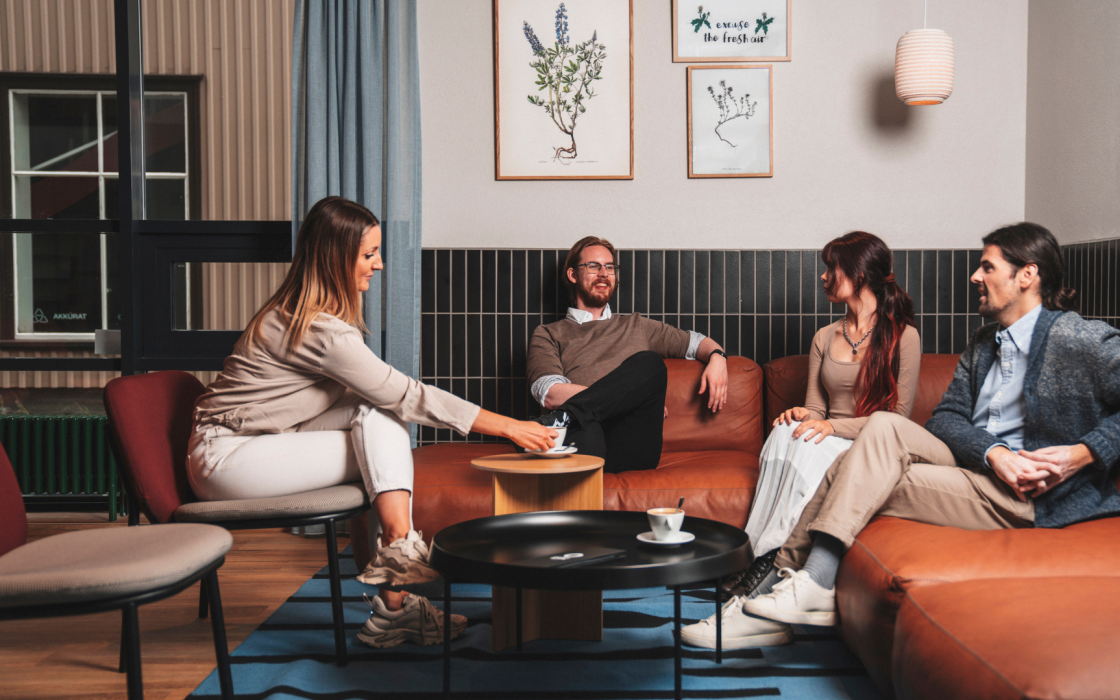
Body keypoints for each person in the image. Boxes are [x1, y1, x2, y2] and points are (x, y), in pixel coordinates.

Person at [694, 222, 1120, 650]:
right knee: (876, 435)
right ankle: (796, 589)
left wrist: (1083, 454)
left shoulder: (1076, 338)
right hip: (978, 472)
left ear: (1026, 276)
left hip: (1030, 497)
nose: (974, 276)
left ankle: (768, 597)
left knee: (851, 469)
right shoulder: (985, 342)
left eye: (987, 267)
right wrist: (993, 452)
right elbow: (947, 419)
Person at [188, 196, 556, 649]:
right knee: (388, 414)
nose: (379, 265)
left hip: (266, 442)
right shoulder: (318, 331)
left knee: (379, 417)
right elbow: (406, 394)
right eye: (369, 254)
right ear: (334, 257)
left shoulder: (310, 320)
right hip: (227, 459)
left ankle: (395, 598)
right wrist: (510, 427)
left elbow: (384, 399)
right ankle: (400, 560)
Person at [685, 231, 920, 650]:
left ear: (860, 273)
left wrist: (832, 427)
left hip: (869, 448)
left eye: (833, 268)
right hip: (827, 438)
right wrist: (802, 416)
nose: (824, 276)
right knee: (782, 431)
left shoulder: (904, 336)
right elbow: (816, 407)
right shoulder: (824, 336)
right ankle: (757, 556)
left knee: (812, 443)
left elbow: (897, 420)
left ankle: (756, 577)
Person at [526, 236, 729, 473]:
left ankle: (565, 418)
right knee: (587, 427)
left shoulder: (637, 325)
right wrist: (629, 397)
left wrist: (717, 357)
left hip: (632, 445)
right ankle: (571, 421)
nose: (603, 273)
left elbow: (697, 342)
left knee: (649, 362)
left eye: (610, 267)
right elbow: (549, 393)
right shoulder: (548, 333)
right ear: (573, 275)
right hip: (583, 441)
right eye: (593, 266)